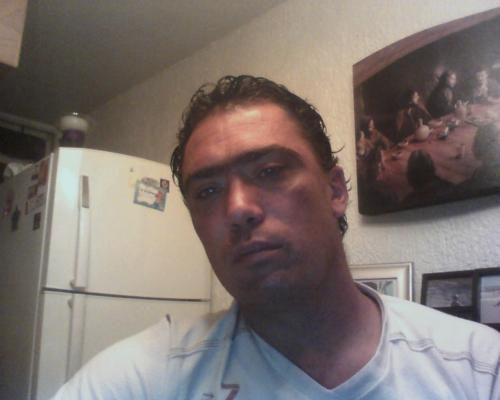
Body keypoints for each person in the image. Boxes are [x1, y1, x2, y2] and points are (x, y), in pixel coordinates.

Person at [53, 75, 499, 399]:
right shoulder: (148, 377)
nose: (238, 209)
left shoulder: (477, 369)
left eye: (269, 171)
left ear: (335, 191)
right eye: (207, 191)